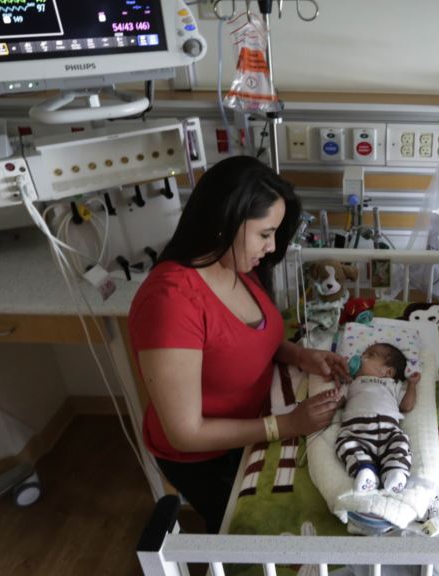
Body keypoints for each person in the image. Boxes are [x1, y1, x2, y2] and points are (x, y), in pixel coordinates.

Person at [129, 156, 348, 533]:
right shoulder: (171, 303)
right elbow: (186, 432)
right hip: (206, 456)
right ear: (225, 220)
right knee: (252, 532)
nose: (272, 246)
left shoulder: (235, 267)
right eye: (265, 234)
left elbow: (246, 339)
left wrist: (301, 355)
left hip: (255, 426)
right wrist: (286, 425)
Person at [334, 343, 420, 494]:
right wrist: (334, 396)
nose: (361, 357)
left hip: (388, 431)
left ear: (388, 372)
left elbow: (407, 406)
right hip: (356, 431)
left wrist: (412, 385)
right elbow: (339, 402)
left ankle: (395, 472)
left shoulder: (393, 385)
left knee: (400, 443)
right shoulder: (351, 383)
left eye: (370, 355)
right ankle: (366, 471)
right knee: (345, 444)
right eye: (364, 354)